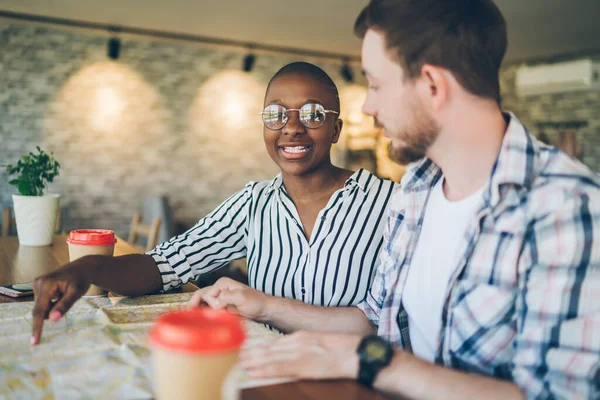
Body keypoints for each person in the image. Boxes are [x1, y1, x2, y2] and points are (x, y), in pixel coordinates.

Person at [190, 1, 600, 398]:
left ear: (433, 86)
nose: (368, 107)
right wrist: (262, 305)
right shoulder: (416, 192)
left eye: (377, 84)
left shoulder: (566, 210)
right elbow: (374, 318)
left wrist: (375, 364)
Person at [29, 62, 397, 345]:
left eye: (313, 113)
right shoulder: (253, 204)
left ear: (335, 129)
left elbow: (390, 323)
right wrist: (87, 269)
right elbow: (164, 266)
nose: (292, 126)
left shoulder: (388, 204)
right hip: (266, 371)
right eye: (276, 113)